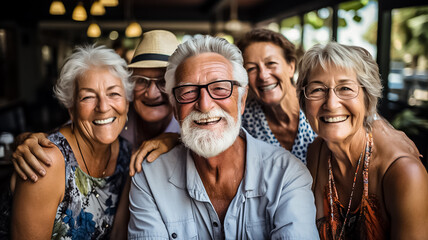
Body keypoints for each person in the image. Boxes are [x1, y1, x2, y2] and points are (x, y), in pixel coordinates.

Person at [128, 35, 318, 239]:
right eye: (188, 91)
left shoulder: (288, 173)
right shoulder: (149, 177)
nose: (205, 104)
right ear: (175, 107)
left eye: (219, 88)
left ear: (242, 100)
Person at [295, 42, 428, 239]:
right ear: (304, 102)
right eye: (317, 90)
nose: (331, 104)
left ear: (368, 99)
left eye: (345, 88)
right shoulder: (316, 152)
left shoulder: (404, 174)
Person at [10, 30, 180, 182]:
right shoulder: (114, 117)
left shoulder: (188, 124)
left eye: (163, 81)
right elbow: (67, 134)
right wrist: (25, 139)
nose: (151, 93)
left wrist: (178, 141)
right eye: (141, 81)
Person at [10, 45, 133, 239]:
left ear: (126, 104)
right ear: (71, 109)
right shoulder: (46, 162)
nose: (102, 107)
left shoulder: (126, 155)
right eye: (88, 97)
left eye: (113, 94)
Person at [236, 28, 316, 163]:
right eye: (251, 68)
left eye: (271, 64)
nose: (263, 75)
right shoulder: (243, 120)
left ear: (291, 67)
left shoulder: (318, 105)